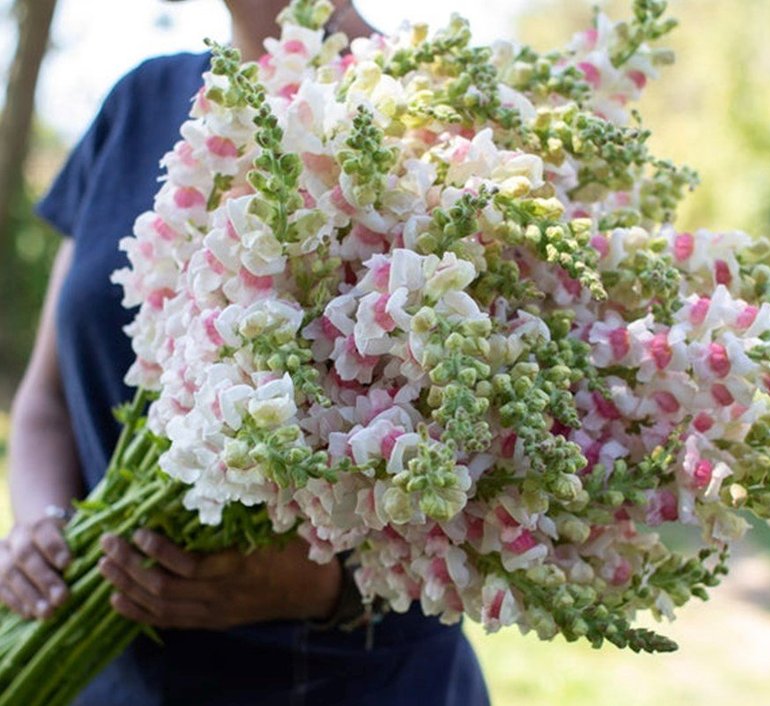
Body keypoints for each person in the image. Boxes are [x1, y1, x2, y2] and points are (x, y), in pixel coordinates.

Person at [0, 1, 491, 704]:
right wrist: (40, 531)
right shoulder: (140, 103)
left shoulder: (446, 121)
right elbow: (46, 401)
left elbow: (498, 477)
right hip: (112, 675)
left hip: (348, 680)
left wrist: (329, 584)